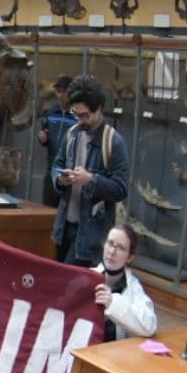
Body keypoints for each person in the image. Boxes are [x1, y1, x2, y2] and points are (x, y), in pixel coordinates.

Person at [50, 74, 128, 267]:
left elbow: (121, 188)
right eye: (75, 114)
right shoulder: (72, 134)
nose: (80, 120)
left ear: (99, 109)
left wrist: (91, 179)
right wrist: (60, 179)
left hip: (90, 234)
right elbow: (56, 165)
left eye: (85, 115)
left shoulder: (113, 141)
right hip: (64, 227)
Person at [94, 225, 159, 340]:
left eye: (120, 248)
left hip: (112, 355)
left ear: (130, 258)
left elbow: (149, 326)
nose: (112, 251)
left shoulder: (133, 288)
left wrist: (113, 303)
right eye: (110, 243)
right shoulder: (86, 276)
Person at [36, 76, 75, 207]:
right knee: (47, 212)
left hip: (69, 176)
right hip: (51, 172)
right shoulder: (52, 112)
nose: (61, 95)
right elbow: (45, 132)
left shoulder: (78, 115)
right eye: (58, 91)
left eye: (65, 92)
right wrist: (43, 138)